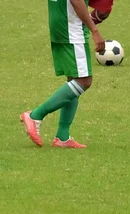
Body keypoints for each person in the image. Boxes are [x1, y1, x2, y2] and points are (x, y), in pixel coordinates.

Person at [20, 0, 105, 149]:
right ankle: (35, 115)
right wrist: (94, 30)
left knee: (74, 78)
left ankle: (63, 136)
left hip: (60, 22)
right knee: (84, 81)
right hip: (71, 27)